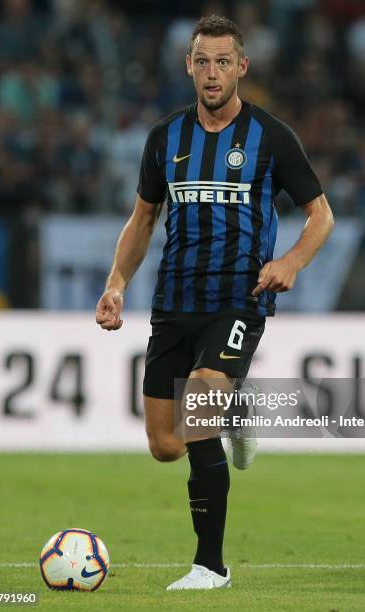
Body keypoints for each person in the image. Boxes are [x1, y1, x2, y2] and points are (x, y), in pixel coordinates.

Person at [96, 14, 334, 590]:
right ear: (188, 66)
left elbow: (320, 215)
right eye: (202, 61)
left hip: (238, 298)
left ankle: (211, 566)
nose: (212, 72)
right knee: (164, 445)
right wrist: (115, 283)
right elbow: (143, 219)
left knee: (201, 403)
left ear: (242, 68)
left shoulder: (270, 137)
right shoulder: (165, 139)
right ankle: (237, 413)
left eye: (223, 61)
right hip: (174, 301)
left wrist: (290, 263)